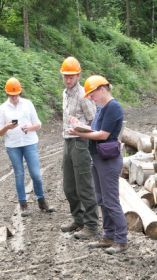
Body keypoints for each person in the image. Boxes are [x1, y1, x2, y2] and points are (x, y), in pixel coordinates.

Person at [68, 75, 128, 254]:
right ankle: (108, 236)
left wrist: (82, 134)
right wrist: (81, 127)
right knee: (102, 199)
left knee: (111, 201)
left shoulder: (113, 107)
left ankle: (121, 240)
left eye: (92, 94)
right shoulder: (102, 108)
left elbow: (103, 135)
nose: (90, 98)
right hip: (98, 158)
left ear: (102, 89)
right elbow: (95, 130)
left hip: (108, 160)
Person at [0, 77, 55, 217]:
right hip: (13, 145)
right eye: (11, 95)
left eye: (16, 94)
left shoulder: (28, 104)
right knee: (19, 175)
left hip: (29, 142)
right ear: (7, 94)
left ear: (20, 92)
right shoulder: (3, 108)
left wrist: (29, 127)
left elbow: (38, 124)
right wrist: (7, 126)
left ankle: (42, 201)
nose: (14, 97)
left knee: (36, 174)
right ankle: (23, 205)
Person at [60, 57, 99, 239]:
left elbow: (94, 122)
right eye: (66, 76)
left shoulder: (84, 95)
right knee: (69, 186)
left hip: (81, 143)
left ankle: (91, 224)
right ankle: (78, 219)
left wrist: (83, 132)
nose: (68, 80)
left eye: (72, 76)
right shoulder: (65, 93)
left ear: (78, 75)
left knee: (84, 185)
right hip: (67, 142)